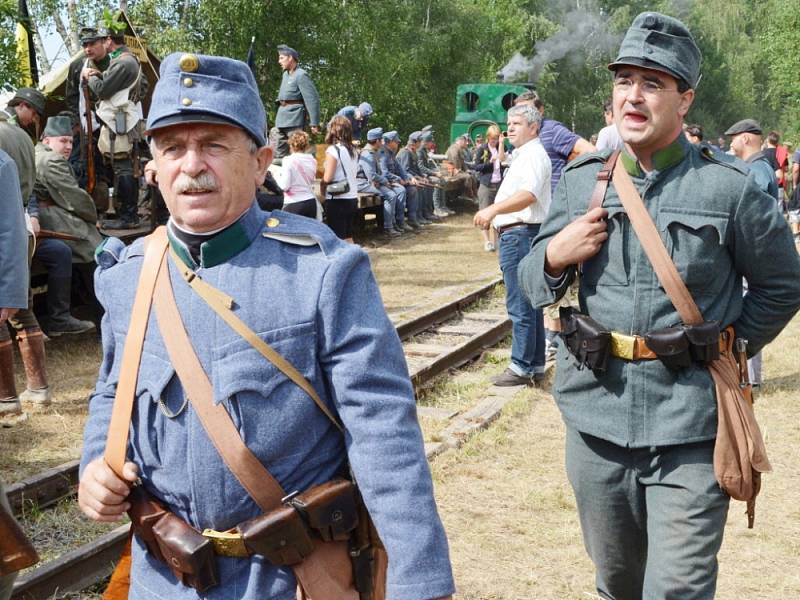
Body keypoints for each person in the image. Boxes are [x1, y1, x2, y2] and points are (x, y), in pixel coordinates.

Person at [77, 52, 455, 600]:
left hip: (288, 580)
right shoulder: (127, 277)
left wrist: (420, 585)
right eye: (173, 148)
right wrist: (95, 465)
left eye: (213, 144)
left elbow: (384, 436)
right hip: (163, 577)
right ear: (152, 166)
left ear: (260, 162)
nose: (192, 165)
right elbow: (113, 391)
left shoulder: (321, 272)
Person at [519, 12, 800, 598]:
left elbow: (782, 284)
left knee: (676, 589)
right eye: (625, 81)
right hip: (596, 420)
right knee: (617, 583)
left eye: (653, 83)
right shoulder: (581, 183)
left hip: (692, 427)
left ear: (685, 99)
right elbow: (527, 284)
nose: (634, 96)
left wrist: (724, 344)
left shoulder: (728, 189)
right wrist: (553, 257)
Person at [473, 104, 551, 386]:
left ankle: (520, 366)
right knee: (530, 302)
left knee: (520, 303)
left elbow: (528, 194)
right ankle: (535, 363)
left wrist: (492, 210)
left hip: (519, 234)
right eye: (509, 123)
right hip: (521, 233)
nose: (511, 128)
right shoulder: (527, 154)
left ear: (534, 127)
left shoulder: (532, 156)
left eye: (517, 123)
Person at [0, 101, 51, 416]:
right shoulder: (20, 135)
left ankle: (6, 399)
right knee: (21, 308)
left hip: (9, 226)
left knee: (8, 308)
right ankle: (37, 388)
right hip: (19, 221)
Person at [34, 115, 103, 335]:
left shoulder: (39, 154)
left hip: (48, 212)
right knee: (95, 249)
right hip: (48, 215)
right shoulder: (50, 160)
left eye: (71, 142)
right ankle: (105, 315)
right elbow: (74, 198)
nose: (68, 146)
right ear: (47, 140)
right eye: (63, 141)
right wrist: (92, 217)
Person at [84, 26, 145, 230]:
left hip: (121, 122)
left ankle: (128, 216)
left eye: (102, 40)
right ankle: (127, 214)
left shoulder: (123, 62)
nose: (100, 43)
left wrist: (90, 77)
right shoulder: (128, 60)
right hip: (123, 119)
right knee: (123, 166)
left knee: (123, 167)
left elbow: (101, 91)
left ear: (109, 39)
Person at [271, 45, 321, 159]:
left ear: (290, 58)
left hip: (295, 119)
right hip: (281, 118)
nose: (279, 61)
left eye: (281, 58)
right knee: (278, 152)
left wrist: (314, 123)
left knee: (297, 151)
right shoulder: (285, 74)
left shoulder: (301, 75)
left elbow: (312, 99)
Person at [357, 127, 407, 237]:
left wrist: (384, 182)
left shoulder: (372, 152)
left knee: (394, 191)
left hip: (369, 182)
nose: (382, 142)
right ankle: (388, 228)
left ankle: (394, 224)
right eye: (381, 140)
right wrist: (384, 181)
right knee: (390, 195)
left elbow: (375, 174)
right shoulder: (368, 154)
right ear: (377, 141)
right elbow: (372, 175)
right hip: (362, 184)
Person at [321, 116, 360, 242]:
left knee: (337, 238)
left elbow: (327, 178)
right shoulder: (354, 150)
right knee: (348, 236)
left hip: (337, 199)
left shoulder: (333, 150)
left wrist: (322, 190)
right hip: (352, 197)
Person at [725, 119, 779, 201]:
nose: (731, 144)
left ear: (745, 139)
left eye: (733, 140)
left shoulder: (755, 171)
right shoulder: (760, 167)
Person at [472, 124, 506, 251]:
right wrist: (489, 163)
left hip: (499, 185)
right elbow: (476, 167)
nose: (494, 141)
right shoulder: (482, 149)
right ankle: (487, 241)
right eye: (492, 139)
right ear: (488, 137)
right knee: (485, 213)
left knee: (499, 214)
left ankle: (496, 240)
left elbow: (504, 160)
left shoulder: (501, 146)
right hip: (486, 185)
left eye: (496, 139)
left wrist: (501, 145)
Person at [380, 130, 422, 230]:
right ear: (389, 141)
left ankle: (412, 218)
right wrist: (399, 180)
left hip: (394, 181)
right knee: (401, 190)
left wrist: (408, 178)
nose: (398, 143)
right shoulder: (382, 154)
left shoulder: (391, 153)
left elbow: (401, 170)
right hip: (386, 182)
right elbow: (384, 173)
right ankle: (398, 221)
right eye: (396, 141)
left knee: (412, 189)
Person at [275, 130, 320, 220]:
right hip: (310, 202)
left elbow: (284, 186)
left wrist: (276, 175)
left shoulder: (288, 160)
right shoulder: (313, 160)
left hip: (294, 202)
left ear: (291, 145)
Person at [397, 131, 437, 224]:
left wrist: (422, 177)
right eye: (420, 142)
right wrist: (415, 178)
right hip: (403, 180)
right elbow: (405, 170)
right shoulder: (405, 153)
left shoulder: (413, 152)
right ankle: (415, 217)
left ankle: (424, 213)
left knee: (427, 184)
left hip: (411, 178)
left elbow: (416, 169)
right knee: (418, 188)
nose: (421, 143)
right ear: (415, 143)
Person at [417, 131, 451, 217]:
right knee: (437, 181)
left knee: (442, 180)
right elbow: (421, 167)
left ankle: (442, 206)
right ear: (426, 142)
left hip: (426, 173)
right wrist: (434, 173)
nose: (432, 144)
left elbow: (428, 165)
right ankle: (437, 208)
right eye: (431, 142)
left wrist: (437, 171)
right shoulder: (420, 151)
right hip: (421, 175)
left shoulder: (424, 150)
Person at [444, 134, 476, 199]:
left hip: (456, 171)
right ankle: (468, 195)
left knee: (472, 175)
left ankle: (474, 195)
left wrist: (466, 169)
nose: (466, 143)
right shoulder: (454, 148)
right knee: (468, 177)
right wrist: (458, 170)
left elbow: (462, 162)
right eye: (465, 142)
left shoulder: (459, 149)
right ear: (460, 141)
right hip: (450, 171)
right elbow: (454, 159)